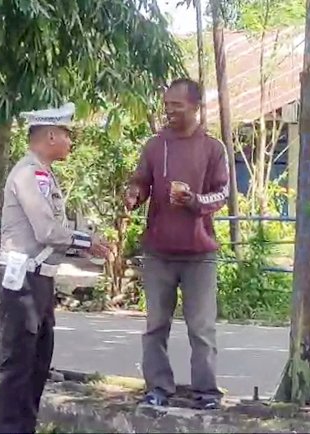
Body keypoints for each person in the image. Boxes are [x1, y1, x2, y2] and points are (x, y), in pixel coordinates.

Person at [0, 102, 110, 434]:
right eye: (68, 135)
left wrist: (82, 241)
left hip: (39, 280)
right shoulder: (28, 174)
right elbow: (46, 231)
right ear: (52, 135)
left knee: (37, 365)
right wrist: (86, 241)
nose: (71, 142)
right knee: (18, 368)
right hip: (22, 281)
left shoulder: (44, 174)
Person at [125, 78, 229, 410]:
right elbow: (140, 180)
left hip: (200, 254)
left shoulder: (213, 148)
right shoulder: (155, 146)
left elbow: (222, 194)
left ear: (195, 106)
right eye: (167, 104)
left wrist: (193, 200)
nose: (169, 111)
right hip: (158, 252)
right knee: (155, 325)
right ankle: (157, 388)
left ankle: (206, 393)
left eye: (176, 105)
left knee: (201, 328)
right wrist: (134, 194)